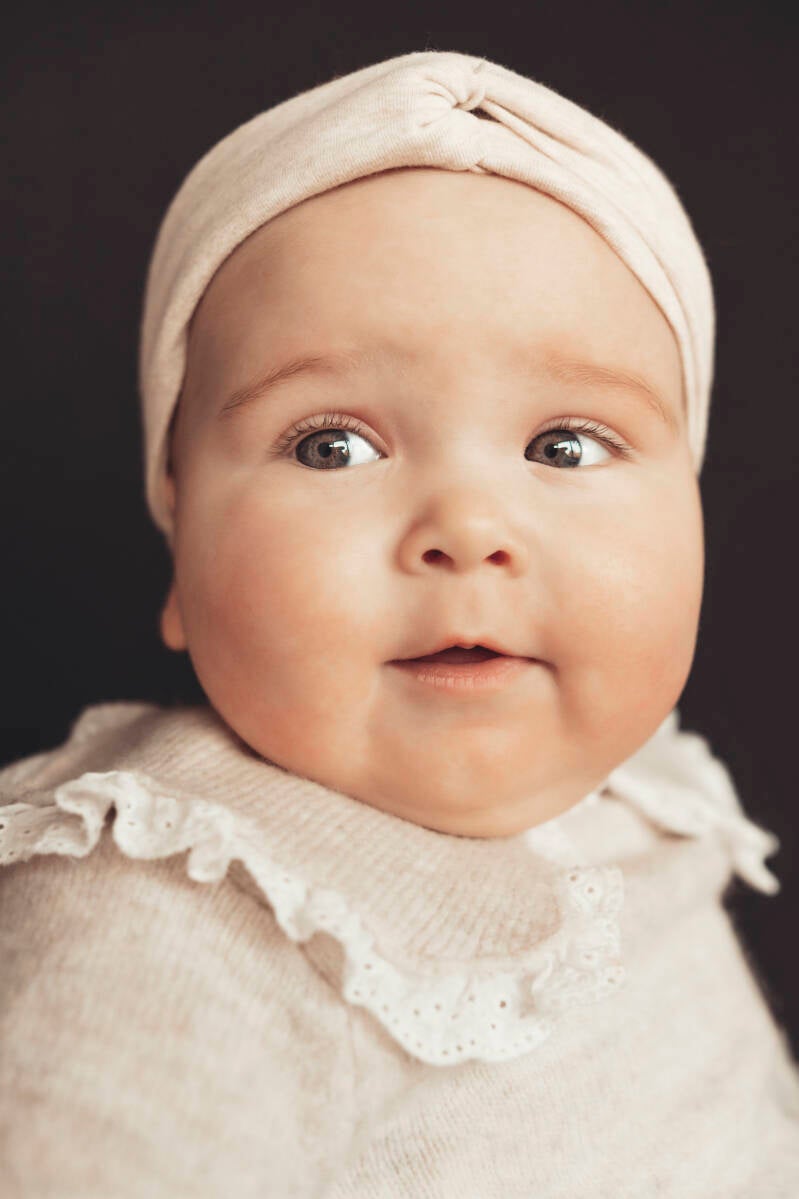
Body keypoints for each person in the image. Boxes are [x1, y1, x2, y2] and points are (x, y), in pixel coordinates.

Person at [1, 49, 797, 1197]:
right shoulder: (165, 914)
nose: (466, 528)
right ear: (180, 537)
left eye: (565, 444)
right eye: (332, 445)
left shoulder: (650, 798)